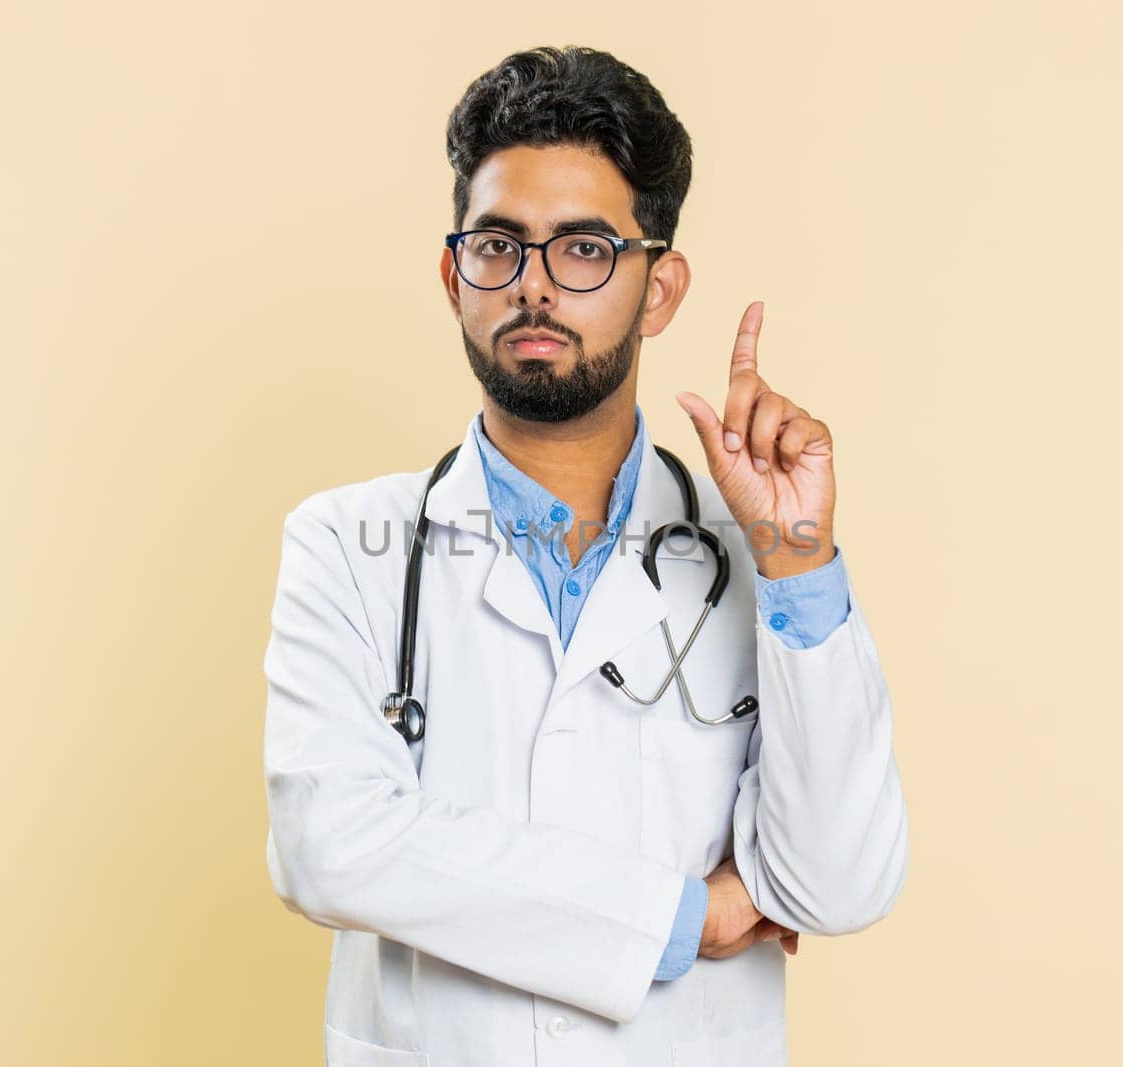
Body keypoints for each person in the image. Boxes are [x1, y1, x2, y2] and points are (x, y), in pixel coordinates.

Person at [262, 45, 908, 1067]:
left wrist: (797, 561)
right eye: (498, 246)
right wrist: (680, 917)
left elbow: (838, 879)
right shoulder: (348, 544)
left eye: (585, 250)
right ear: (452, 274)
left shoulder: (761, 563)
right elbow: (328, 846)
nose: (533, 287)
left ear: (658, 288)